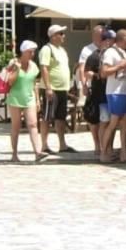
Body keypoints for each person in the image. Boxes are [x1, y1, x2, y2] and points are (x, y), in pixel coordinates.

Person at [98, 27, 126, 163]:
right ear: (122, 39)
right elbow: (104, 72)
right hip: (115, 92)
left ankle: (124, 153)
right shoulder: (110, 52)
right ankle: (103, 153)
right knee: (113, 122)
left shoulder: (125, 53)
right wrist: (120, 66)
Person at [2, 39, 44, 161]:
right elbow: (10, 81)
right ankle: (14, 154)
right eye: (30, 51)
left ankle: (37, 152)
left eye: (34, 51)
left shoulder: (34, 65)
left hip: (29, 98)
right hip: (15, 98)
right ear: (23, 51)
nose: (33, 54)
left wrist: (37, 100)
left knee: (33, 124)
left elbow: (34, 83)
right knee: (16, 126)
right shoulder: (14, 63)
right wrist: (17, 69)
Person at [38, 23, 75, 155]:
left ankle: (62, 145)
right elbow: (44, 68)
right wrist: (48, 87)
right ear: (53, 36)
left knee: (61, 117)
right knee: (47, 117)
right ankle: (44, 145)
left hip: (62, 88)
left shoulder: (62, 50)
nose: (63, 36)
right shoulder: (47, 49)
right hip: (52, 88)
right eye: (61, 33)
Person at [76, 23, 108, 144]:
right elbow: (82, 68)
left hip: (104, 87)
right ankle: (96, 144)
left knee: (104, 117)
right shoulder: (87, 49)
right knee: (93, 115)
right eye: (99, 35)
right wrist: (84, 85)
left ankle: (104, 144)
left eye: (102, 35)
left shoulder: (107, 49)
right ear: (93, 35)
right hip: (91, 86)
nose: (101, 37)